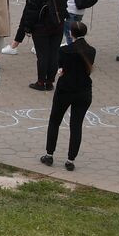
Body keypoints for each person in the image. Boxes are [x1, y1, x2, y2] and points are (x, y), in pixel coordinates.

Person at [42, 20, 95, 172]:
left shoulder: (65, 50)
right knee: (76, 125)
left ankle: (49, 154)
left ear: (71, 34)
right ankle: (70, 160)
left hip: (65, 89)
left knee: (55, 121)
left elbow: (61, 67)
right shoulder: (91, 51)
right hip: (84, 91)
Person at [22, 0, 65, 91]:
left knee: (42, 55)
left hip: (41, 28)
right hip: (58, 26)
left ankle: (41, 82)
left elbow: (31, 12)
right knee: (54, 53)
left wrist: (27, 28)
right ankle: (50, 82)